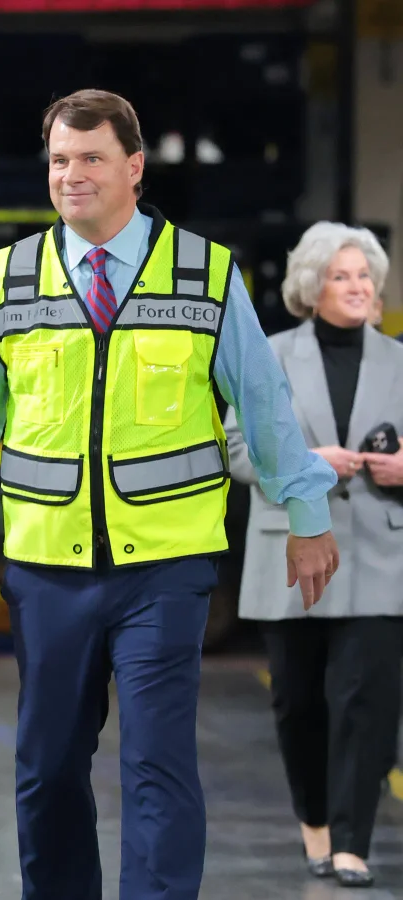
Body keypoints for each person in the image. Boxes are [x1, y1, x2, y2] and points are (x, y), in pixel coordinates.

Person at [0, 88, 341, 900]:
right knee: (46, 771)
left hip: (167, 569)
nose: (71, 176)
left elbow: (264, 405)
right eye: (59, 161)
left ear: (134, 168)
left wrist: (307, 513)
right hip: (46, 569)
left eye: (91, 159)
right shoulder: (10, 278)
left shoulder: (205, 274)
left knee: (157, 764)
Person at [227, 222, 398, 889]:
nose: (357, 287)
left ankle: (354, 843)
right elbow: (238, 452)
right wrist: (304, 463)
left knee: (369, 700)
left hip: (383, 552)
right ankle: (317, 826)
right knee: (299, 701)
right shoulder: (267, 356)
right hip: (290, 554)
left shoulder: (400, 360)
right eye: (341, 275)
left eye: (365, 276)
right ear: (311, 286)